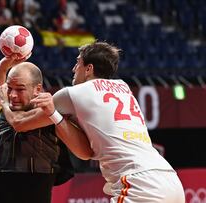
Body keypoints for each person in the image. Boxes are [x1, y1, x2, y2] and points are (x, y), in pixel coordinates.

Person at [28, 41, 185, 202]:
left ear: (89, 69)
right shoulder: (123, 87)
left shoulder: (75, 93)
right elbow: (85, 153)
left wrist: (4, 101)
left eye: (78, 63)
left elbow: (23, 123)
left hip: (140, 183)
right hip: (170, 179)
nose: (74, 69)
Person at [0, 56, 74, 203]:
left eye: (20, 89)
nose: (12, 95)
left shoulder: (48, 110)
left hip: (33, 184)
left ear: (37, 89)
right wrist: (2, 66)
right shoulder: (8, 111)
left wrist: (4, 103)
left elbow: (18, 122)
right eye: (9, 88)